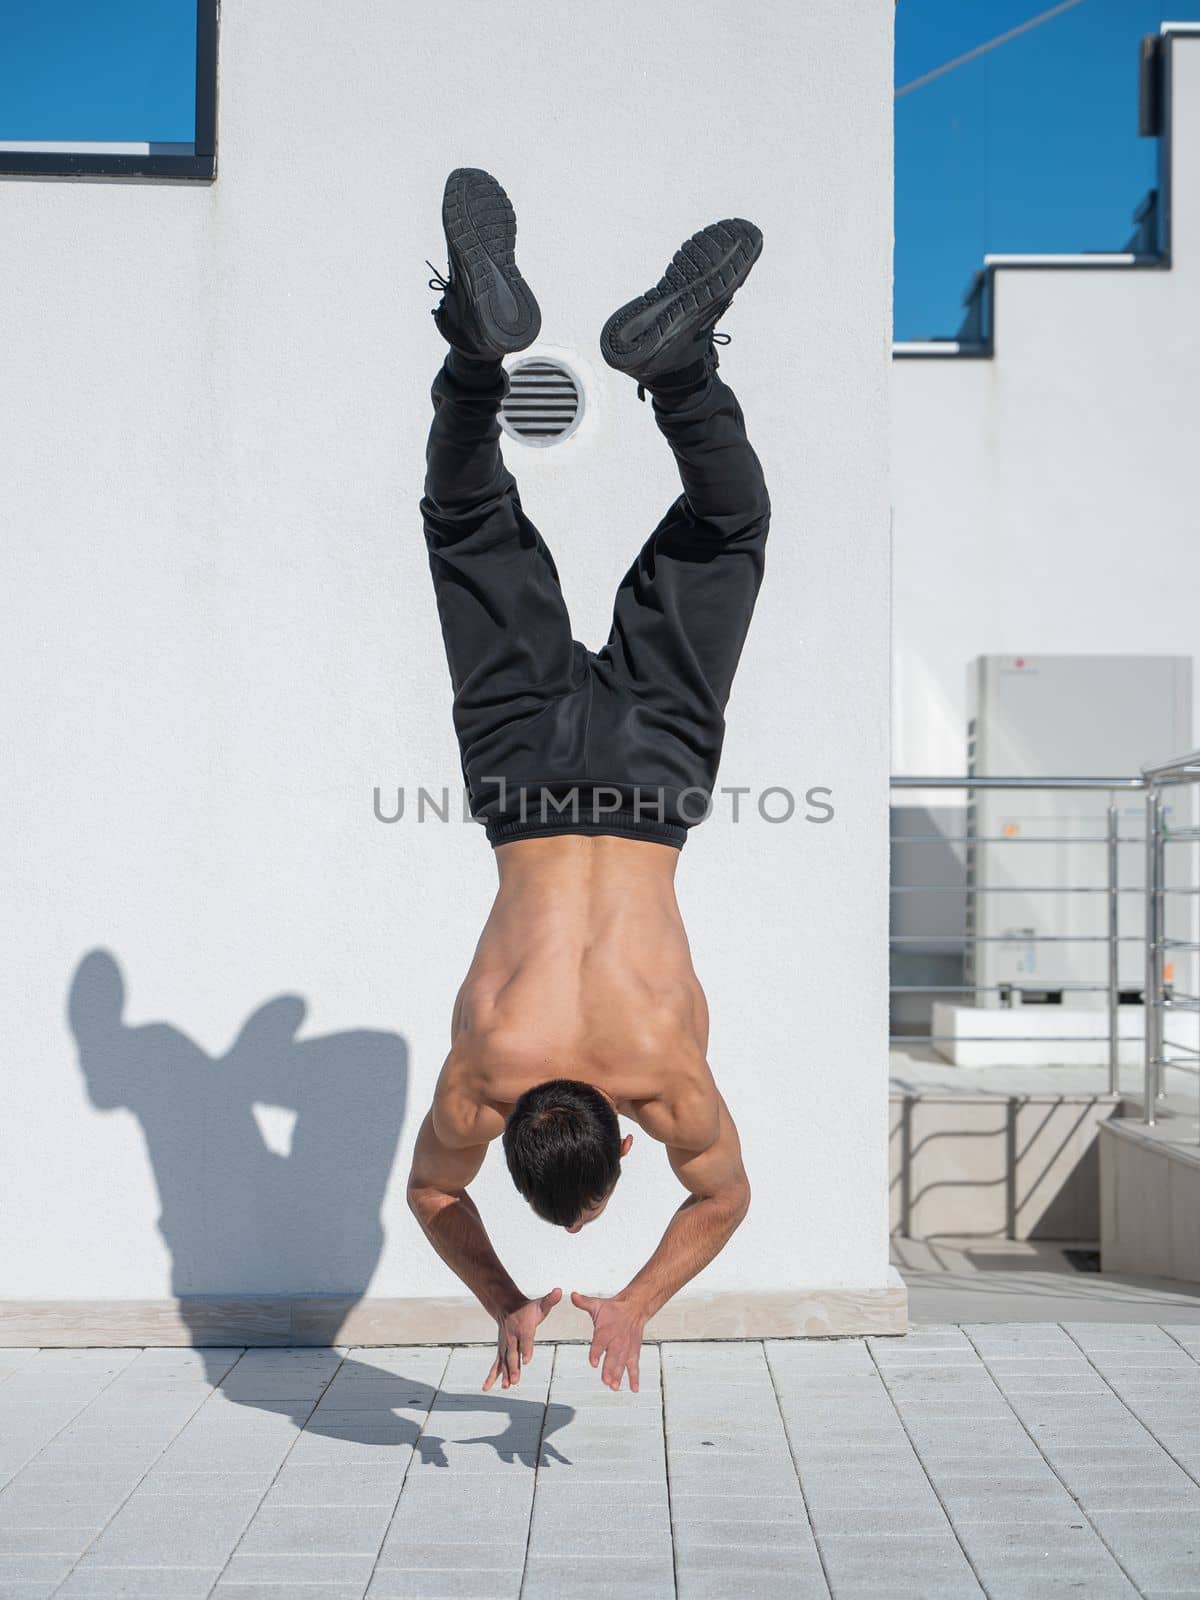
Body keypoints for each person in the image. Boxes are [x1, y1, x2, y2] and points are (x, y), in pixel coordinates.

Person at [407, 168, 770, 1394]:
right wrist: (508, 1293)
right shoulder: (483, 1076)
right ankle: (477, 349)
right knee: (466, 523)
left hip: (655, 781)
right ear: (521, 1130)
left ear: (622, 1135)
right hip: (520, 780)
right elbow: (430, 1190)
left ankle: (681, 375)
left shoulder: (664, 1073)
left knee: (726, 529)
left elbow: (724, 1196)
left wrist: (629, 1303)